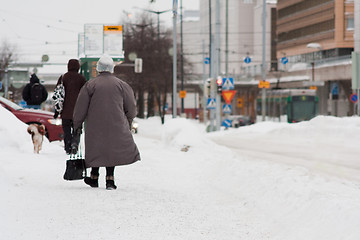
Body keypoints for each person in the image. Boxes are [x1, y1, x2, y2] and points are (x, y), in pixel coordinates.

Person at [73, 55, 140, 190]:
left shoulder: (90, 85)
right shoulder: (122, 85)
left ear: (98, 68)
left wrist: (77, 124)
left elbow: (81, 106)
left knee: (96, 147)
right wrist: (129, 119)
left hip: (94, 124)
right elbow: (131, 106)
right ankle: (110, 179)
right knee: (111, 148)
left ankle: (94, 177)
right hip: (116, 123)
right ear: (111, 68)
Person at [54, 59, 86, 155]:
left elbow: (58, 95)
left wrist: (56, 112)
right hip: (78, 111)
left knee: (67, 130)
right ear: (78, 67)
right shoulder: (81, 79)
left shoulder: (63, 78)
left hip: (65, 112)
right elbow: (85, 95)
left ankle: (68, 147)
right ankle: (75, 144)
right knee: (77, 130)